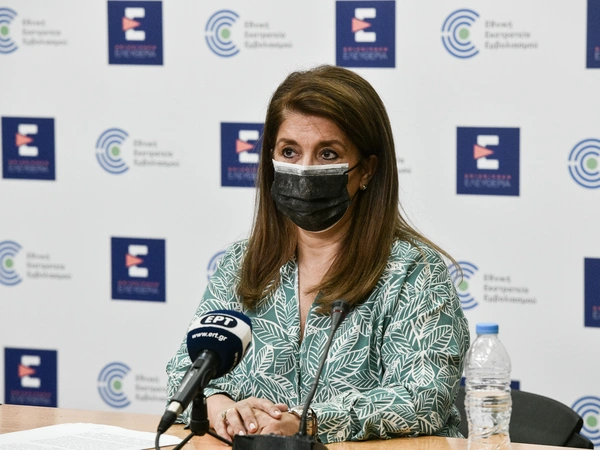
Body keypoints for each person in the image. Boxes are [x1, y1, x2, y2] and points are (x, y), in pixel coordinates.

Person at [165, 65, 470, 444]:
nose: (304, 170)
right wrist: (222, 407)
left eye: (327, 154)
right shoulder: (241, 264)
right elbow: (185, 371)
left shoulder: (414, 272)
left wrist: (305, 422)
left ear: (367, 170)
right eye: (289, 152)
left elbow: (423, 399)